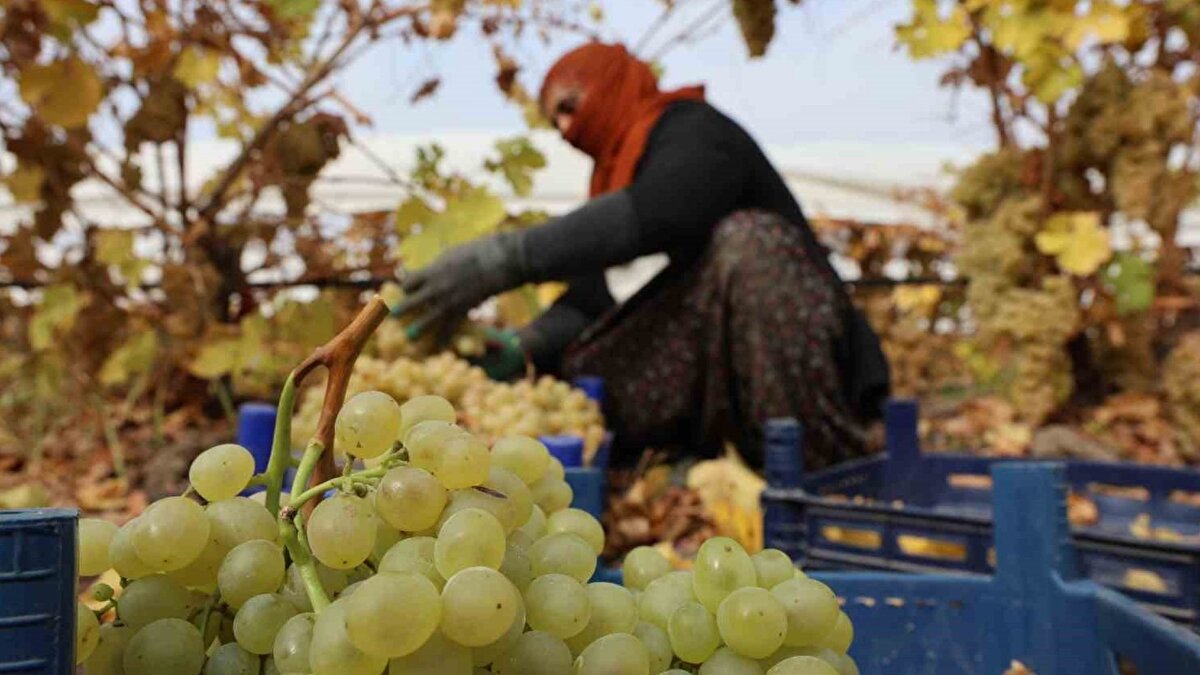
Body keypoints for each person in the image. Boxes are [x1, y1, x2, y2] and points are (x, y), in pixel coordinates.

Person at [393, 42, 889, 470]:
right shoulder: (617, 181)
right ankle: (684, 461)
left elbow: (666, 209)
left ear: (609, 82)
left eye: (569, 105)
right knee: (582, 351)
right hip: (719, 392)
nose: (566, 129)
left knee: (749, 242)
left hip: (804, 384)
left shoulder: (696, 132)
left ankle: (820, 465)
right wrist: (522, 346)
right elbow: (598, 296)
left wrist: (506, 257)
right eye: (554, 121)